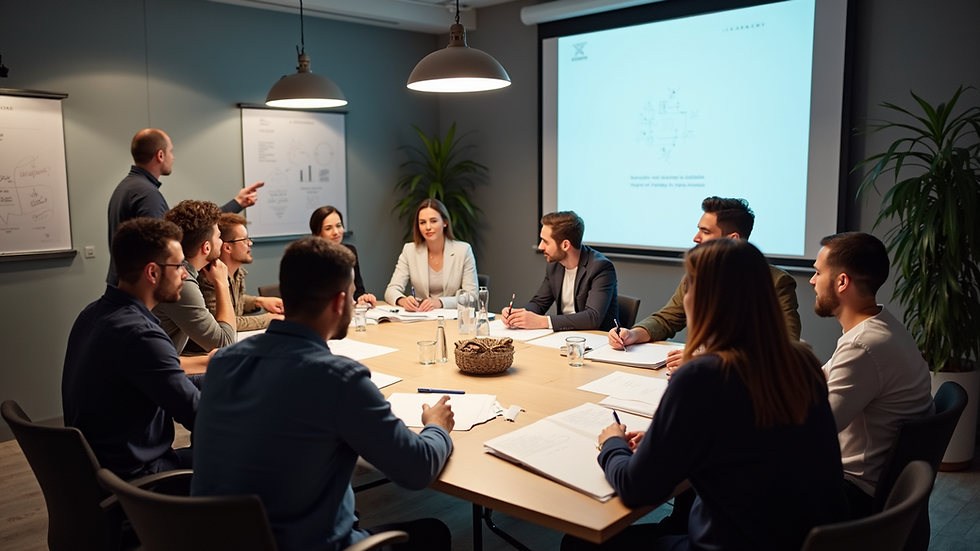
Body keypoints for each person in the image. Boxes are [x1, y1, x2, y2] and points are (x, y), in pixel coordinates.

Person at [562, 239, 847, 551]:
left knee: (578, 544)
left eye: (689, 286)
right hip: (796, 540)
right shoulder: (801, 362)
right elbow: (746, 440)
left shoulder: (703, 376)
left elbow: (635, 489)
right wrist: (667, 439)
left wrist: (612, 443)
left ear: (705, 299)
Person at [191, 236, 455, 551]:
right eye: (353, 293)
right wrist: (436, 426)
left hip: (217, 541)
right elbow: (417, 469)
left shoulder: (222, 363)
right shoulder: (339, 379)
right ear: (339, 302)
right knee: (435, 533)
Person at [62, 218, 201, 479]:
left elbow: (161, 379)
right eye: (179, 265)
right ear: (152, 272)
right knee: (248, 457)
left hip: (105, 468)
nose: (186, 273)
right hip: (140, 479)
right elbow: (200, 417)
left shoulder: (92, 314)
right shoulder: (141, 336)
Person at [810, 231, 933, 519]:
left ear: (841, 282)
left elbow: (816, 432)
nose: (812, 281)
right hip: (870, 483)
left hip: (853, 492)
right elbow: (818, 379)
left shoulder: (863, 345)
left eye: (817, 273)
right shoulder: (881, 324)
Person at [609, 196, 801, 370]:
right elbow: (667, 319)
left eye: (705, 231)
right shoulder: (697, 275)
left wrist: (705, 358)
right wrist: (633, 334)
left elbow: (786, 346)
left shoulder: (776, 282)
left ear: (732, 239)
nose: (696, 238)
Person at [106, 128, 264, 285]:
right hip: (138, 287)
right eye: (171, 152)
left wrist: (237, 203)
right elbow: (176, 236)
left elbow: (192, 223)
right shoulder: (147, 195)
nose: (173, 158)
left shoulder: (126, 187)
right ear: (160, 155)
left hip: (122, 282)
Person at [501, 211, 618, 331]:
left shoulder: (601, 267)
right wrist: (517, 316)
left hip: (598, 340)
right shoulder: (555, 265)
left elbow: (593, 317)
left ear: (565, 245)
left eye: (546, 242)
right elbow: (539, 303)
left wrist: (543, 321)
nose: (540, 246)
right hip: (564, 337)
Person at [153, 200, 236, 358]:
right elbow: (226, 346)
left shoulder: (169, 269)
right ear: (206, 247)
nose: (222, 242)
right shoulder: (181, 283)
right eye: (219, 236)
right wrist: (222, 284)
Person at [385, 198, 478, 311]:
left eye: (433, 221)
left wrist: (440, 302)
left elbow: (471, 296)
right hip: (421, 319)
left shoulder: (463, 250)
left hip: (452, 320)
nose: (428, 227)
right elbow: (391, 290)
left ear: (445, 222)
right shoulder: (409, 251)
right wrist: (404, 301)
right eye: (422, 222)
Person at [196, 213, 284, 333]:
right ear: (227, 248)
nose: (250, 243)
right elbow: (225, 323)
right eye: (245, 240)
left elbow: (234, 300)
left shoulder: (237, 273)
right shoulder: (209, 278)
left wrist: (258, 301)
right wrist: (268, 319)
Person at [310, 205, 376, 306]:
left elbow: (358, 291)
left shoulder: (349, 251)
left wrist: (363, 299)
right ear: (317, 234)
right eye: (328, 228)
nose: (336, 232)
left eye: (338, 225)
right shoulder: (309, 257)